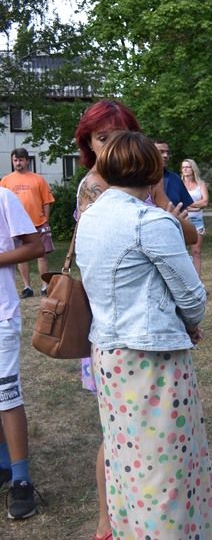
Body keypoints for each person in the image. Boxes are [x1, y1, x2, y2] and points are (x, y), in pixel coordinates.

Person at [76, 131, 212, 538]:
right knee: (165, 473)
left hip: (107, 354)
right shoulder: (149, 221)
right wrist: (188, 320)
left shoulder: (90, 218)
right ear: (152, 171)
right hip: (151, 360)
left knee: (127, 465)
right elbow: (192, 298)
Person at [0, 187, 45, 520]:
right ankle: (3, 464)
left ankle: (21, 479)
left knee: (6, 395)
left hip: (1, 315)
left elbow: (35, 245)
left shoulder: (4, 198)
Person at [0, 148, 54, 298]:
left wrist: (46, 221)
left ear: (27, 161)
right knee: (20, 256)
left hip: (38, 223)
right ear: (12, 161)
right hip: (16, 227)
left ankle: (45, 287)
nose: (18, 163)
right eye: (15, 160)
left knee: (41, 255)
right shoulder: (6, 180)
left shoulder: (38, 179)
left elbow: (47, 202)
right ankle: (27, 287)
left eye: (21, 160)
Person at [180, 158, 209, 276]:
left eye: (188, 166)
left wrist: (188, 205)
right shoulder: (179, 184)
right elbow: (177, 202)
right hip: (182, 220)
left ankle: (198, 281)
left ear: (193, 168)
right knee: (182, 253)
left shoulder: (201, 184)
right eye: (183, 167)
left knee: (196, 251)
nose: (185, 169)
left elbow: (205, 202)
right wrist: (196, 205)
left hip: (197, 221)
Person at [152, 140, 194, 212]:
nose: (166, 156)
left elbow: (184, 208)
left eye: (167, 152)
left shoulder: (175, 179)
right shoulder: (140, 179)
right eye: (161, 152)